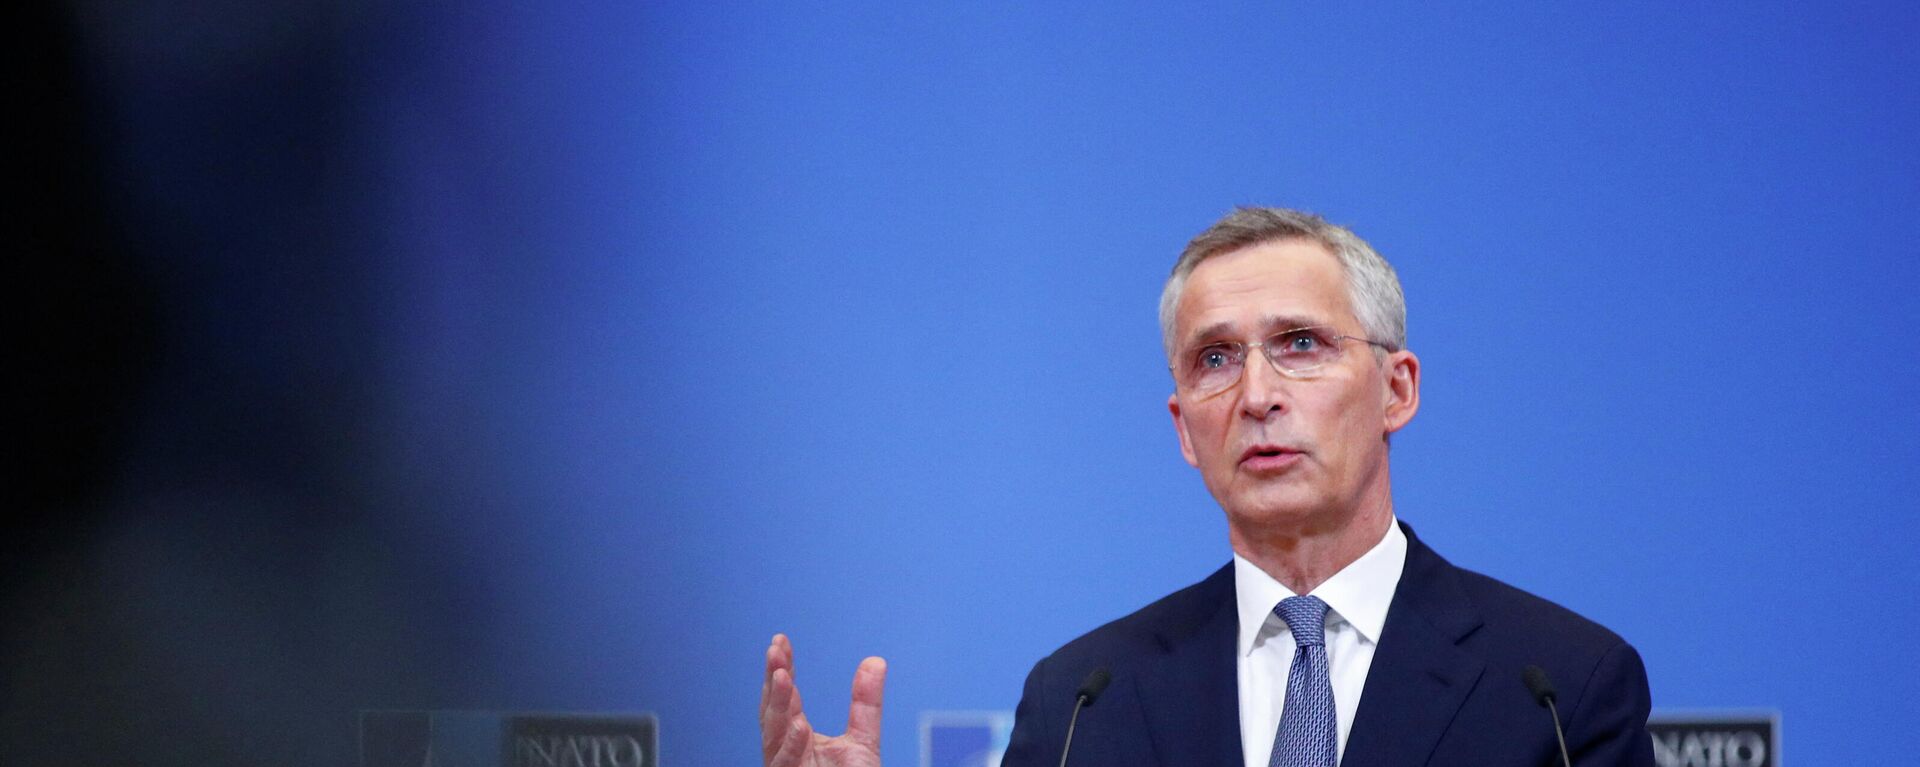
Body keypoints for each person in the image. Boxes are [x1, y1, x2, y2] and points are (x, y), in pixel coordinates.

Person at [759, 207, 1655, 767]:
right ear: (1186, 426)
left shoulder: (1559, 686)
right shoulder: (1081, 701)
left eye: (1301, 343)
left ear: (1397, 389)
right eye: (1216, 359)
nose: (1257, 394)